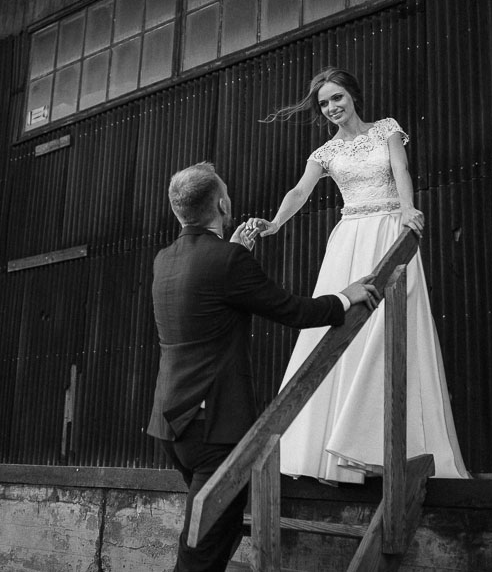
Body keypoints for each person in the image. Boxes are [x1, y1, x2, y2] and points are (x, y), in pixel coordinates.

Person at [148, 161, 379, 572]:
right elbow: (292, 310)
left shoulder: (164, 260)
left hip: (171, 424)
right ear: (223, 202)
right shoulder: (228, 262)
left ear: (178, 210)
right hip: (213, 426)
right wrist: (346, 297)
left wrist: (233, 249)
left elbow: (210, 291)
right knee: (200, 551)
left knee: (216, 532)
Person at [246, 67, 469, 484]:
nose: (331, 108)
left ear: (353, 95)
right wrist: (275, 224)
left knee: (390, 328)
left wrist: (407, 208)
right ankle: (326, 448)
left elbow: (400, 170)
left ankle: (383, 445)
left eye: (337, 98)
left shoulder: (386, 130)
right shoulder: (324, 154)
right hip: (349, 240)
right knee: (340, 328)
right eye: (324, 103)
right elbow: (299, 192)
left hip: (388, 230)